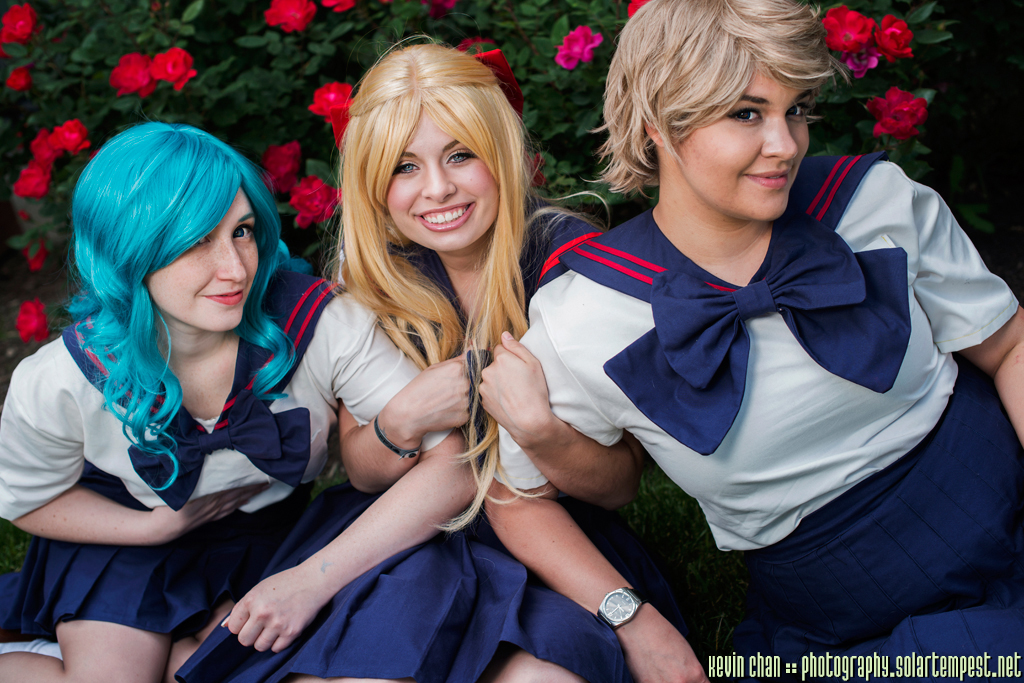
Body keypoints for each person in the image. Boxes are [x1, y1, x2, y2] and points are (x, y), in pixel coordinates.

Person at [488, 0, 1024, 678]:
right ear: (658, 124)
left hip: (1001, 500)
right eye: (746, 113)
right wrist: (632, 618)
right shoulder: (583, 317)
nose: (787, 144)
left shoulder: (874, 200)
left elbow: (1008, 345)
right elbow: (515, 497)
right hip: (840, 609)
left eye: (795, 109)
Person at [177, 43, 687, 683]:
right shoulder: (380, 274)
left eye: (461, 154)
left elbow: (618, 483)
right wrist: (400, 420)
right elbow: (363, 469)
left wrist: (541, 433)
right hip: (399, 528)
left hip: (553, 541)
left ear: (501, 150)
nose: (437, 188)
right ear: (373, 183)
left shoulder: (569, 266)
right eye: (404, 166)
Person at [0, 122, 460, 683]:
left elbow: (453, 464)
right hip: (128, 541)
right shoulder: (59, 379)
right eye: (197, 241)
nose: (236, 269)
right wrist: (150, 530)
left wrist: (314, 578)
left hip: (271, 537)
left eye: (241, 231)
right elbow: (27, 499)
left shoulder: (322, 324)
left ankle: (181, 650)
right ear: (128, 252)